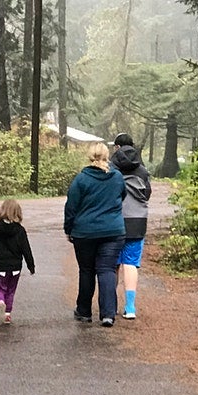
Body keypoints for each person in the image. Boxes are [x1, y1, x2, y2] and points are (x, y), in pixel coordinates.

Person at [64, 141, 126, 327]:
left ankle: (84, 311)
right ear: (107, 156)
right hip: (113, 231)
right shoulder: (117, 177)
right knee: (106, 270)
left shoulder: (81, 179)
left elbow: (71, 207)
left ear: (90, 157)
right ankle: (108, 314)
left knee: (87, 270)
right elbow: (122, 196)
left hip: (85, 232)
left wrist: (69, 229)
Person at [111, 133, 151, 320]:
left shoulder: (111, 170)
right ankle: (130, 307)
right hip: (137, 221)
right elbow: (147, 194)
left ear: (117, 148)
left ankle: (110, 306)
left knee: (112, 265)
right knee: (131, 263)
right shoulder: (142, 171)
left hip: (115, 221)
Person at [0, 199, 36, 324]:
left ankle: (0, 301)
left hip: (1, 267)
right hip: (15, 268)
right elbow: (26, 249)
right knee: (11, 290)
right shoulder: (20, 230)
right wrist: (31, 266)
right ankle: (7, 314)